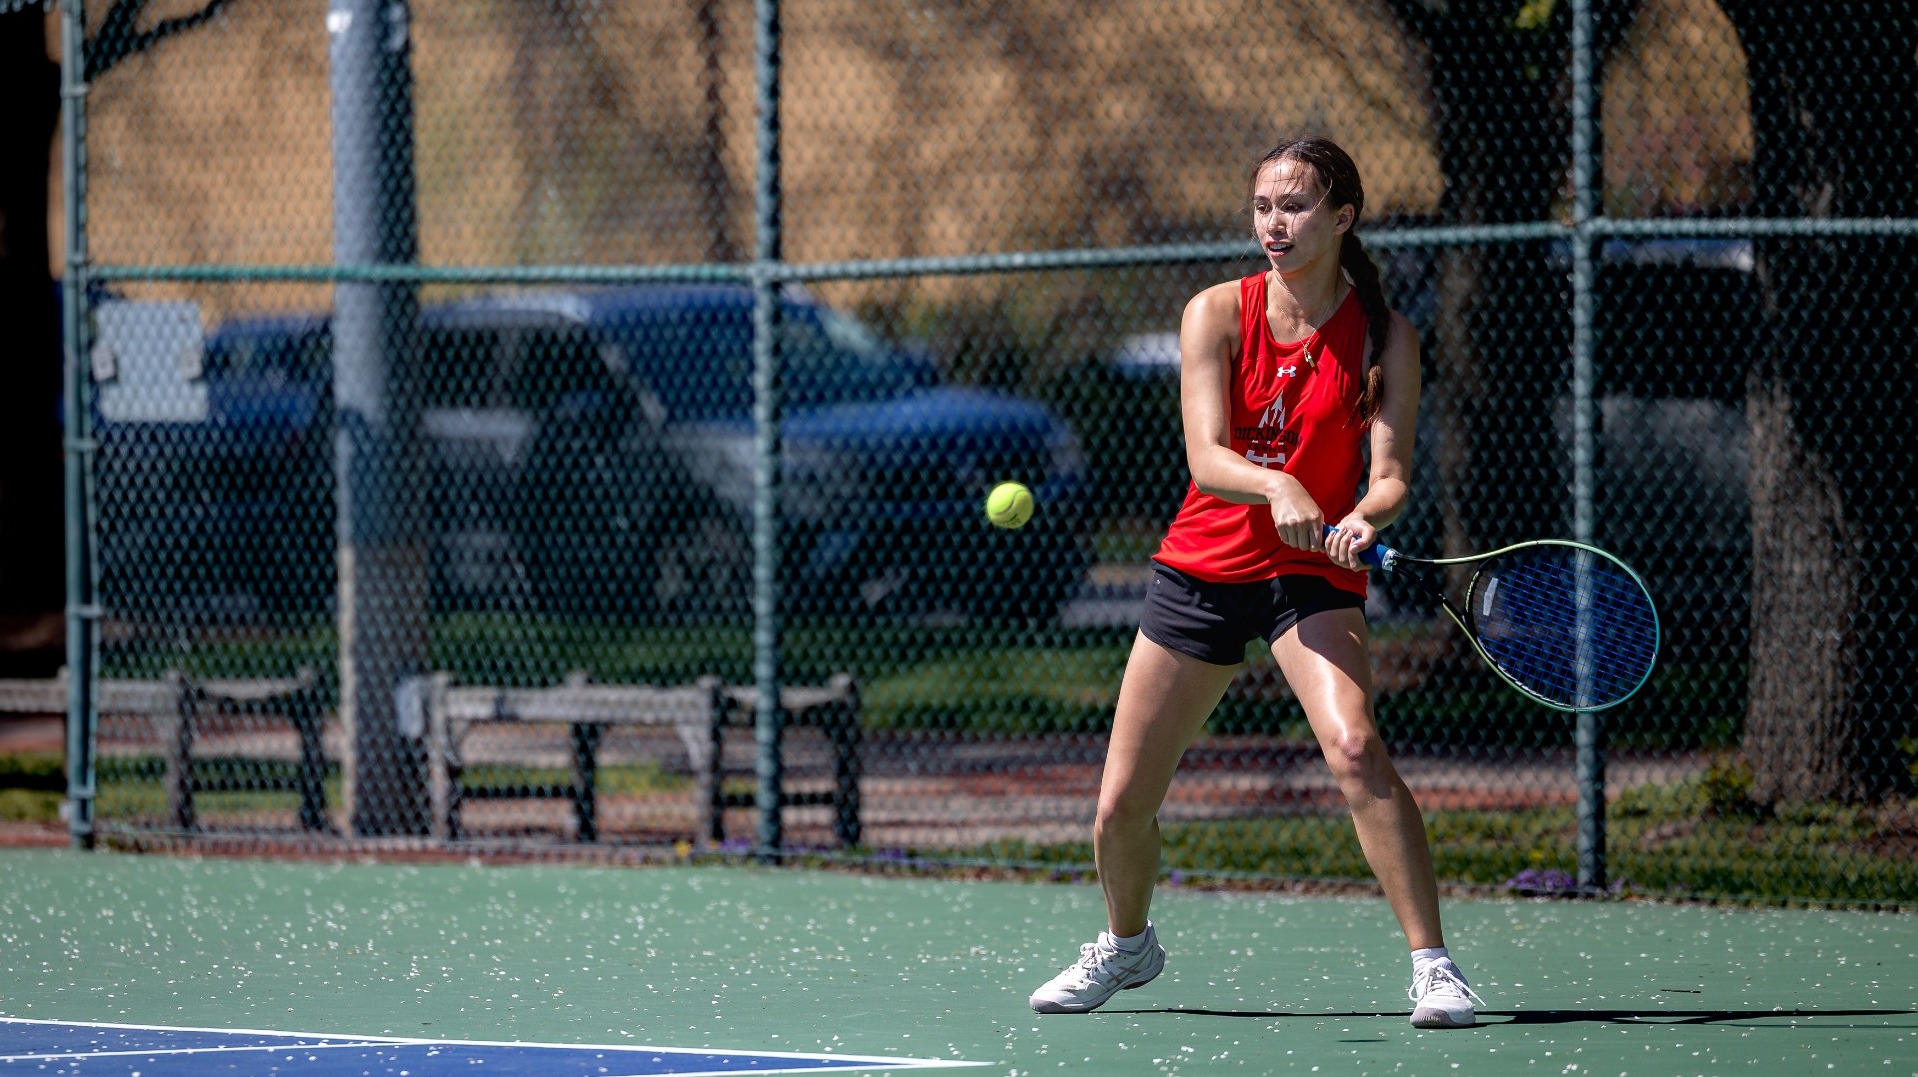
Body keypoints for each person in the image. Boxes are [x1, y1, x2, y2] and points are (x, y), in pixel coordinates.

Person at [1028, 137, 1480, 1029]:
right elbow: (1207, 455)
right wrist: (1279, 484)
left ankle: (1435, 966)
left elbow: (1390, 472)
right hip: (1202, 567)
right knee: (1122, 804)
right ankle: (1126, 946)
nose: (1275, 223)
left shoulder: (1387, 334)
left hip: (1310, 576)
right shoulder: (1215, 313)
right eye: (1264, 206)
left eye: (1297, 205)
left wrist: (1365, 515)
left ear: (1341, 216)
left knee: (1355, 749)